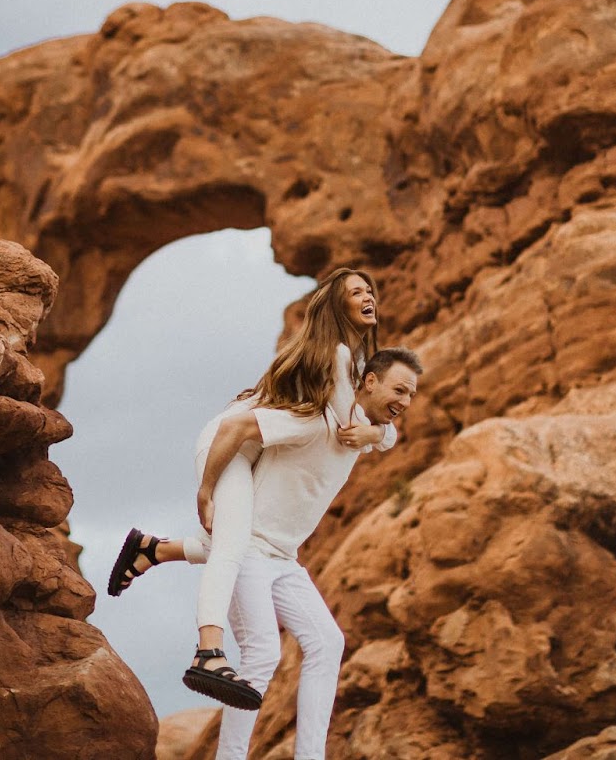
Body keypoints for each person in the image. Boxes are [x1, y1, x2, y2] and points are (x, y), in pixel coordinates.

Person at [106, 268, 396, 709]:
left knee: (251, 542)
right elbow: (352, 428)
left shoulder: (353, 363)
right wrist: (205, 490)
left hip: (256, 445)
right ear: (339, 307)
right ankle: (208, 652)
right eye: (356, 291)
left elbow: (372, 428)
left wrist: (377, 434)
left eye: (369, 289)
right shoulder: (338, 356)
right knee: (234, 545)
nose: (367, 295)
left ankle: (154, 549)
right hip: (230, 443)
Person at [215, 347, 422, 759]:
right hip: (248, 548)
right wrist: (208, 492)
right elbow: (239, 427)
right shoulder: (316, 418)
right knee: (262, 654)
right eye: (400, 389)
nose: (406, 401)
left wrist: (377, 434)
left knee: (327, 642)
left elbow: (389, 435)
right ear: (368, 381)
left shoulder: (363, 428)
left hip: (284, 559)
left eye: (412, 394)